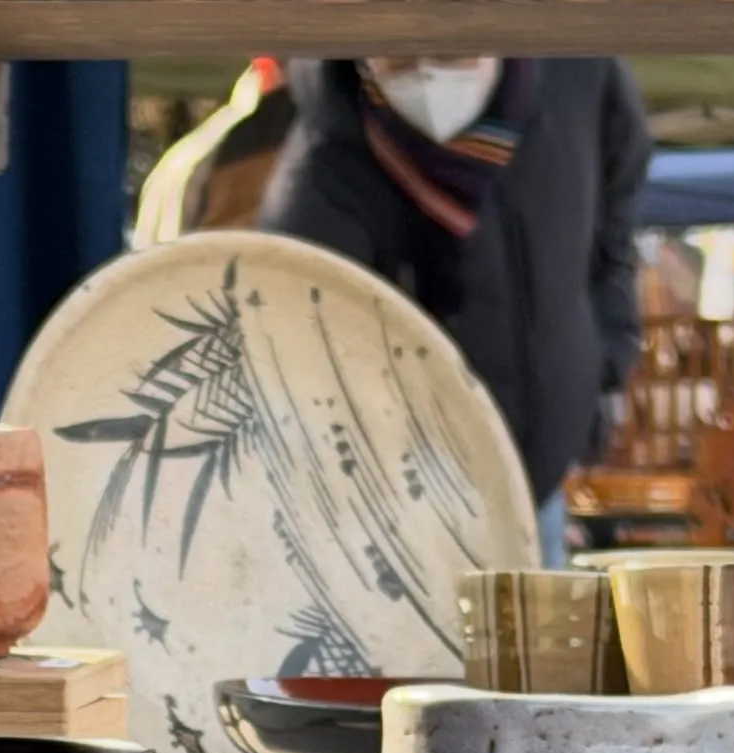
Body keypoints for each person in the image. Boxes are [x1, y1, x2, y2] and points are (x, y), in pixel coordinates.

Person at [257, 57, 651, 568]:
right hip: (393, 506)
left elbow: (616, 221)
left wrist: (607, 354)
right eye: (401, 56)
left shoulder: (580, 73)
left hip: (537, 482)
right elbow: (296, 327)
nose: (426, 70)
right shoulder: (328, 148)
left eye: (449, 51)